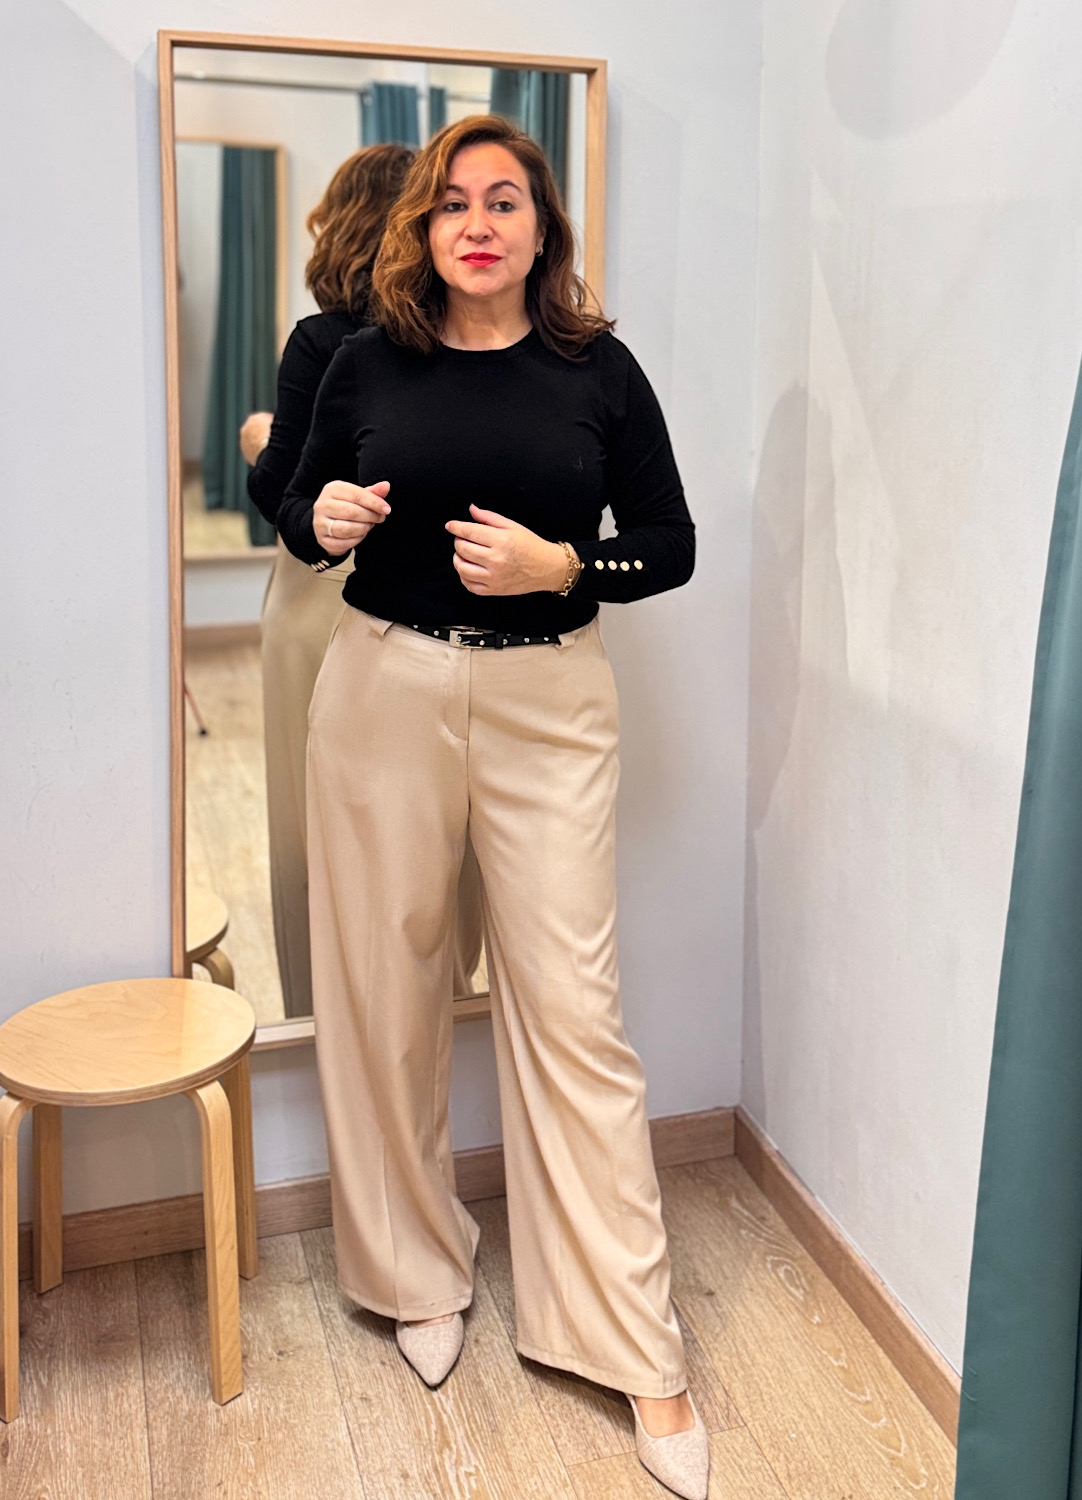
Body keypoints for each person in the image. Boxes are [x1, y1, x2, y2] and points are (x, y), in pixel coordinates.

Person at [277, 115, 708, 1500]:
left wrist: (562, 566)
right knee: (385, 985)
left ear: (541, 229)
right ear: (423, 226)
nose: (477, 222)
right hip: (382, 692)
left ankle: (630, 1339)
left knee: (573, 1008)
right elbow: (296, 510)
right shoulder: (363, 359)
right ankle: (415, 1274)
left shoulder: (599, 370)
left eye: (505, 200)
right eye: (453, 201)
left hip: (548, 704)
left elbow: (669, 546)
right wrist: (322, 522)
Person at [239, 142, 482, 1017]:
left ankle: (324, 1014)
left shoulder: (324, 343)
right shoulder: (465, 346)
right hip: (415, 601)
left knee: (319, 826)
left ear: (340, 223)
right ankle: (445, 1001)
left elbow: (284, 491)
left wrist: (261, 439)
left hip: (318, 604)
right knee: (436, 824)